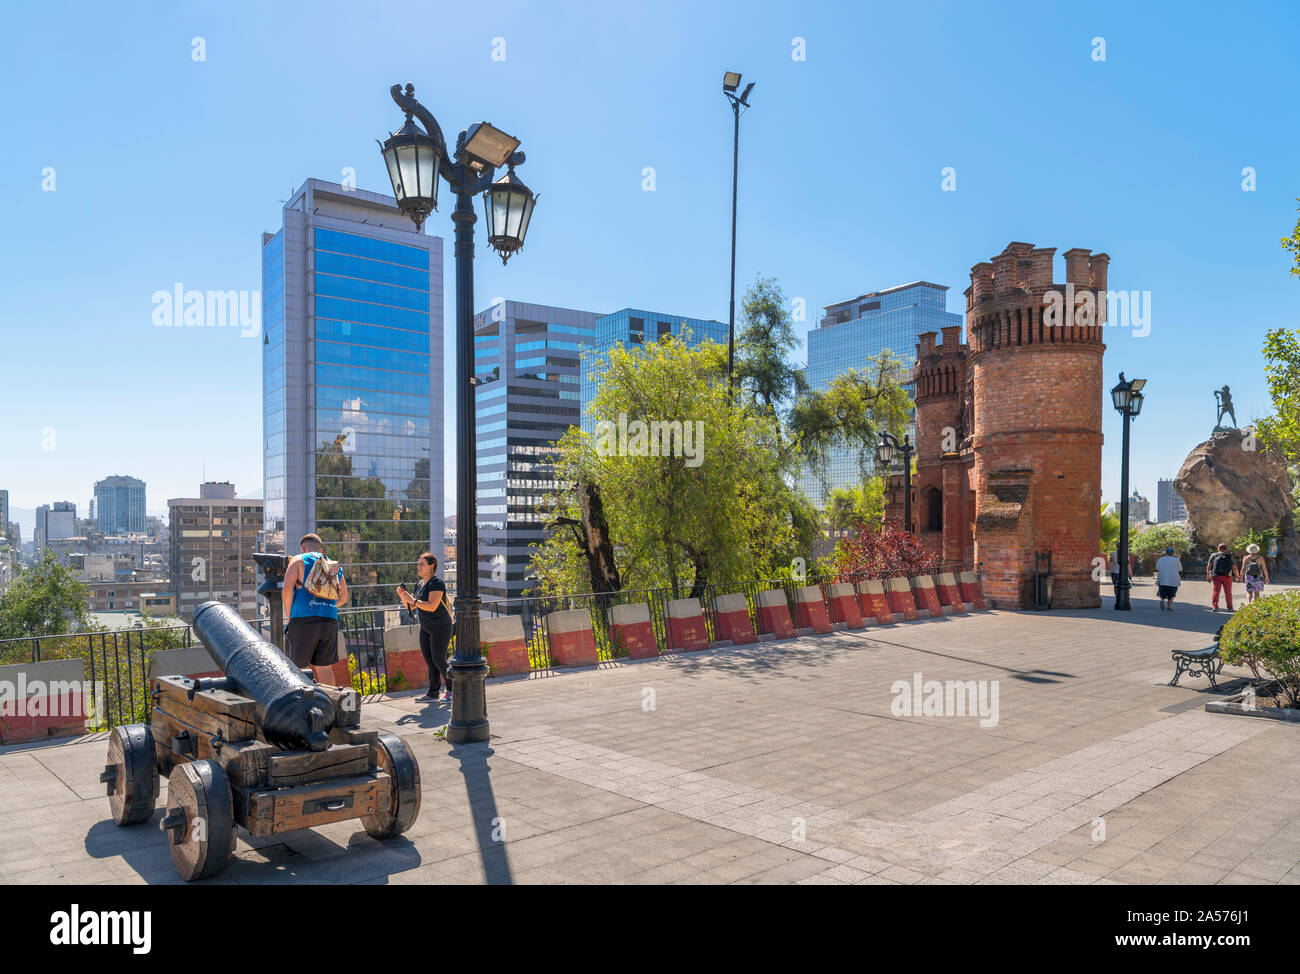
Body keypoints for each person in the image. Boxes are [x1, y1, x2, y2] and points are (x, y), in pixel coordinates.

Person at [281, 533, 348, 668]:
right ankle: (328, 690)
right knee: (325, 669)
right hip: (329, 620)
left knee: (297, 668)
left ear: (304, 549)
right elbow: (344, 598)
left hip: (303, 619)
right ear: (320, 550)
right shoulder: (334, 566)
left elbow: (287, 590)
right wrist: (325, 605)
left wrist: (289, 617)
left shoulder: (298, 560)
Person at [397, 552, 453, 702]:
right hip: (426, 626)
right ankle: (433, 693)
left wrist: (413, 600)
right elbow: (412, 607)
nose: (418, 567)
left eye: (422, 564)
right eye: (418, 564)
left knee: (439, 658)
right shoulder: (419, 585)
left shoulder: (437, 583)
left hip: (440, 625)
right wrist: (403, 596)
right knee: (429, 659)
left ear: (431, 566)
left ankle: (452, 689)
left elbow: (432, 606)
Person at [1206, 543, 1238, 613]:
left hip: (1216, 576)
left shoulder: (1214, 555)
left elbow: (1209, 567)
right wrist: (1237, 576)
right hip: (1228, 576)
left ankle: (1215, 606)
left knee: (1216, 591)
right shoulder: (1229, 556)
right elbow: (1234, 567)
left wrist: (1208, 576)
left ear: (1218, 548)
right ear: (1226, 549)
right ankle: (1230, 607)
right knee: (1228, 592)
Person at [1155, 545, 1183, 611]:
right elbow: (1180, 569)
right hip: (1173, 580)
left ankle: (1162, 601)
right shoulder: (1176, 560)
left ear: (1166, 553)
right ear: (1173, 553)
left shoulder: (1161, 559)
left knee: (1162, 592)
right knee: (1172, 594)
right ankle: (1169, 607)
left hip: (1162, 579)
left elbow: (1157, 568)